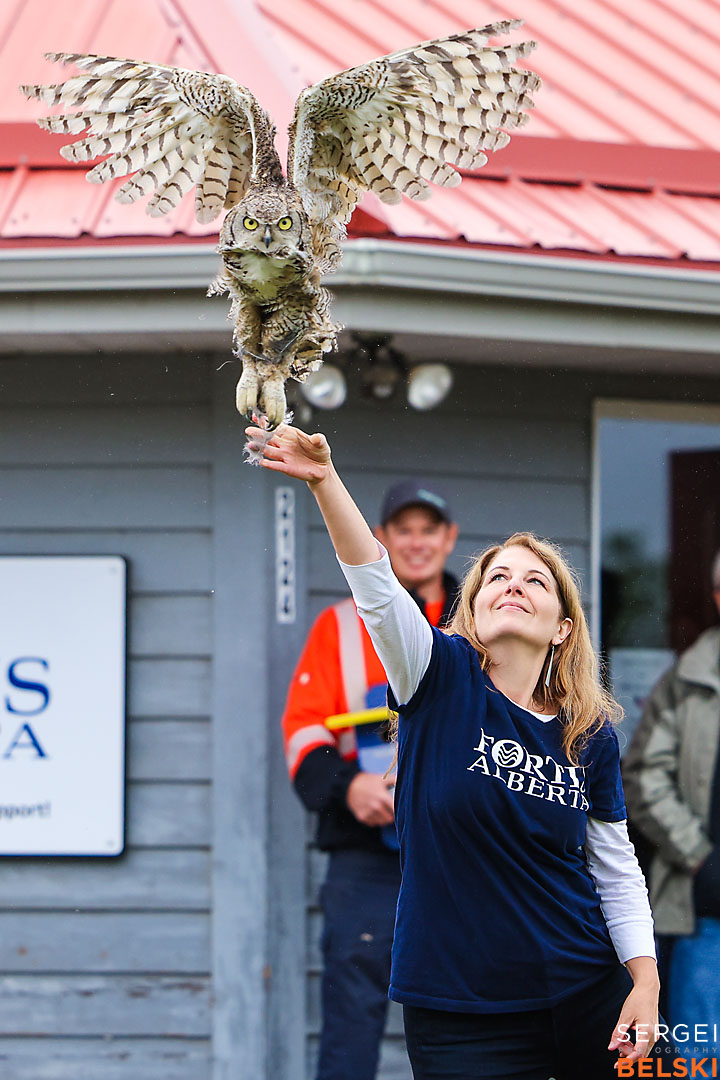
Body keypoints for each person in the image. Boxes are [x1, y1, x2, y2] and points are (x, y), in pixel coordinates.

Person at [251, 421, 669, 1079]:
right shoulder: (436, 676)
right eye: (496, 576)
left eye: (535, 581)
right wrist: (325, 481)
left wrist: (644, 982)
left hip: (588, 990)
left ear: (562, 627)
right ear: (470, 614)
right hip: (464, 1012)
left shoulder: (591, 734)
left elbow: (615, 870)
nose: (513, 584)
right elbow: (376, 588)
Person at [282, 477, 460, 1080]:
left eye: (427, 530)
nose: (415, 543)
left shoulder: (482, 620)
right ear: (381, 538)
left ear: (448, 538)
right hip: (366, 862)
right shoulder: (336, 625)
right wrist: (349, 788)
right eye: (402, 531)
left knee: (470, 1028)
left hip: (460, 859)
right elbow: (303, 732)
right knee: (351, 1027)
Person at [624, 550, 720, 1032]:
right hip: (707, 917)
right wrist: (698, 855)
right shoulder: (684, 683)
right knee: (703, 1057)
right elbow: (641, 775)